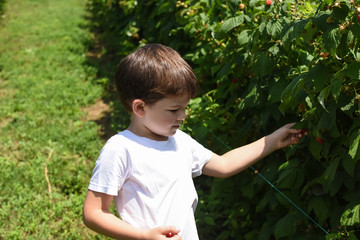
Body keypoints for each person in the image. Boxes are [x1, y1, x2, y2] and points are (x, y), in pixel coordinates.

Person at [82, 44, 306, 240]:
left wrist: (273, 140)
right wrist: (144, 236)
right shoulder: (121, 149)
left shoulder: (179, 140)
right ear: (140, 108)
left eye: (185, 107)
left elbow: (224, 165)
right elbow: (94, 213)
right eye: (173, 109)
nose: (183, 115)